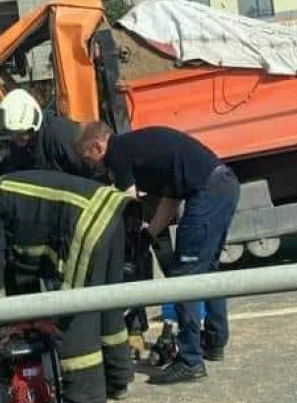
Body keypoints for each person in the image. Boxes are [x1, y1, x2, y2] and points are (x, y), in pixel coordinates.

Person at [0, 167, 134, 403]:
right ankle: (117, 378)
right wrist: (30, 317)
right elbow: (22, 264)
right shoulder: (6, 194)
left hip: (85, 220)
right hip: (108, 212)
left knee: (73, 315)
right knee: (106, 308)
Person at [78, 122, 240, 385]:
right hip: (224, 185)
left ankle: (190, 361)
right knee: (207, 271)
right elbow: (171, 200)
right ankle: (214, 341)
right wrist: (149, 234)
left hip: (208, 192)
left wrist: (123, 241)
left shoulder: (117, 151)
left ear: (98, 146)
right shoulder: (142, 150)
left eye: (90, 158)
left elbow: (129, 204)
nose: (94, 166)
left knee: (183, 279)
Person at [0, 89, 99, 179]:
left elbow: (91, 172)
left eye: (21, 133)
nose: (16, 139)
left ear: (33, 124)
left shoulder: (60, 135)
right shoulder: (18, 147)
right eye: (12, 133)